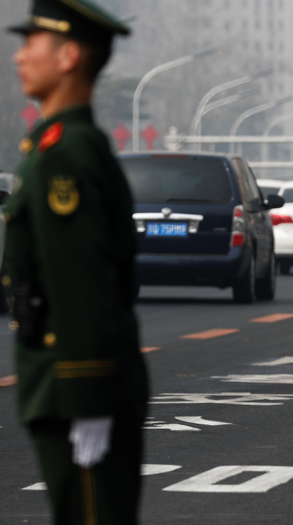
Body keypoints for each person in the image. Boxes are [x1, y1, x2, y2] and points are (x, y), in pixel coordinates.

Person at [5, 1, 149, 523]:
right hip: (69, 386)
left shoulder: (65, 154)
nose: (19, 56)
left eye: (31, 43)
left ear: (68, 56)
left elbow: (82, 282)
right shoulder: (60, 146)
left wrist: (87, 397)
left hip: (77, 392)